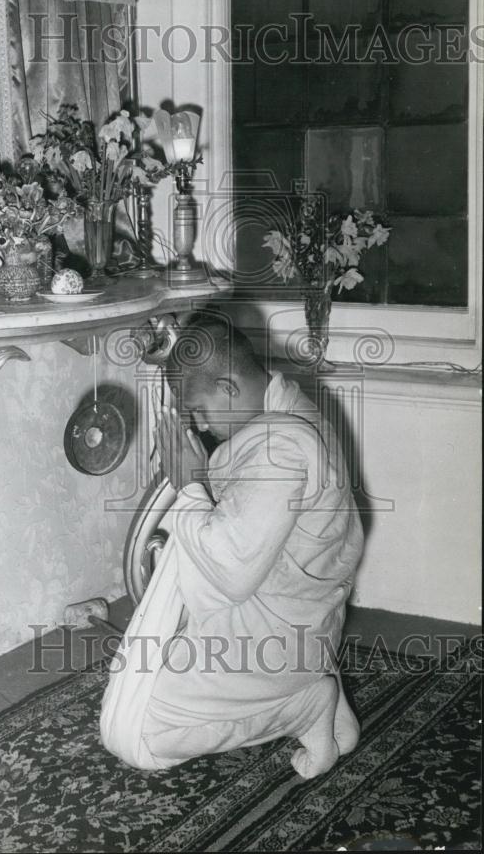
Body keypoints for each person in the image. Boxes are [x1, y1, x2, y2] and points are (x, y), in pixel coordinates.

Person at [100, 312, 364, 778]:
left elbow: (232, 572)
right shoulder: (292, 408)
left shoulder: (275, 448)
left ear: (227, 386)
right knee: (147, 661)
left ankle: (303, 704)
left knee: (133, 732)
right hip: (303, 626)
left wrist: (190, 487)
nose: (200, 423)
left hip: (271, 638)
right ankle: (315, 685)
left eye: (198, 409)